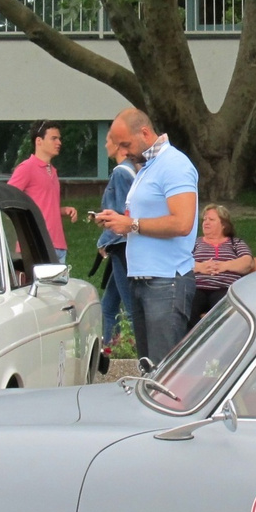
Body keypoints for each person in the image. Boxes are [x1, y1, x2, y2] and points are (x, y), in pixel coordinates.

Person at [94, 108, 198, 366]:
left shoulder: (174, 164)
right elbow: (141, 219)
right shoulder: (147, 167)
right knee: (149, 368)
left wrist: (132, 224)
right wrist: (119, 222)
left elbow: (183, 223)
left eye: (126, 144)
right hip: (143, 280)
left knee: (165, 373)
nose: (124, 151)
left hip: (166, 280)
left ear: (144, 132)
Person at [8, 120, 77, 262]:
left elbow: (43, 206)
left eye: (59, 138)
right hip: (36, 245)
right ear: (39, 141)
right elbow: (7, 198)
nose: (59, 143)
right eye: (54, 138)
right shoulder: (26, 168)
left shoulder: (53, 171)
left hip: (57, 245)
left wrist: (63, 210)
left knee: (58, 285)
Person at [96, 132, 138, 354]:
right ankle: (108, 347)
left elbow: (122, 212)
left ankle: (134, 351)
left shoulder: (121, 173)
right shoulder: (133, 171)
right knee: (108, 305)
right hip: (123, 244)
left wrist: (105, 238)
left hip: (121, 246)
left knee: (130, 308)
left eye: (107, 140)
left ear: (120, 146)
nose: (104, 145)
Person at [192, 204, 254, 321]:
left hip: (224, 288)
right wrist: (200, 267)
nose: (206, 222)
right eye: (204, 219)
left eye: (211, 219)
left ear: (223, 224)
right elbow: (181, 261)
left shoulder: (235, 243)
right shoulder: (195, 243)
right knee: (188, 309)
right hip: (198, 287)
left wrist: (223, 266)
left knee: (224, 313)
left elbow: (247, 262)